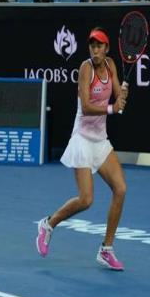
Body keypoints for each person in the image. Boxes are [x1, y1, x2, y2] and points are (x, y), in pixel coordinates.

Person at [36, 28, 128, 271]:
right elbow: (86, 107)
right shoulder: (85, 69)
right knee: (86, 199)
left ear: (107, 49)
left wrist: (122, 97)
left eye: (99, 46)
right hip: (82, 139)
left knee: (120, 189)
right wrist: (112, 108)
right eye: (92, 46)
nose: (95, 50)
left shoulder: (111, 65)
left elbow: (117, 94)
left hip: (100, 140)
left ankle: (106, 249)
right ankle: (48, 224)